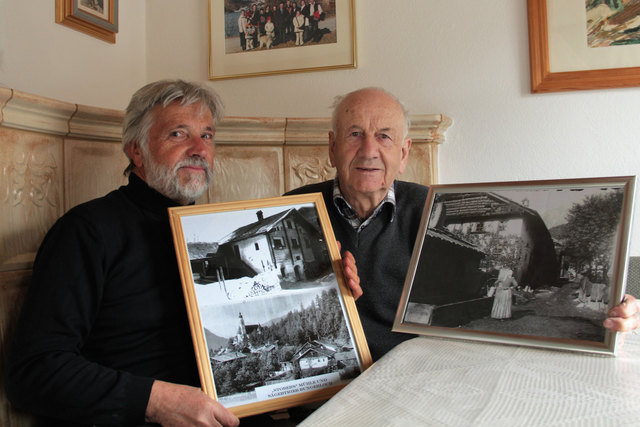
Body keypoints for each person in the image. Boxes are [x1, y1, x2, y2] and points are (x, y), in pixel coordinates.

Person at [4, 79, 360, 426]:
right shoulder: (87, 231)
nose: (199, 149)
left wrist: (332, 287)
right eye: (178, 133)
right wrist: (156, 402)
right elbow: (33, 372)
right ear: (136, 149)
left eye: (206, 135)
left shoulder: (209, 226)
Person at [287, 87, 640, 360]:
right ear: (332, 148)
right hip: (321, 383)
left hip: (409, 380)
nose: (368, 150)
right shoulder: (291, 211)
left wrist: (614, 313)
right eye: (353, 134)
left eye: (384, 136)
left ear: (404, 153)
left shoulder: (433, 208)